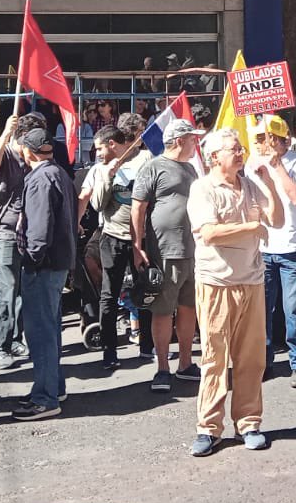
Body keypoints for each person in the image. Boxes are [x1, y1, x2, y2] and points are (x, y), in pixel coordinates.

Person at [188, 128, 284, 456]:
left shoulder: (249, 185)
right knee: (215, 358)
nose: (241, 153)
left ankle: (249, 422)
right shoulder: (202, 189)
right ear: (215, 157)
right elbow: (210, 233)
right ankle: (208, 428)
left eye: (241, 148)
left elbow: (277, 219)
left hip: (252, 282)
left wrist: (269, 180)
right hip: (216, 283)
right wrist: (250, 228)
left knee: (251, 358)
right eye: (233, 149)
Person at [134, 119, 207, 389]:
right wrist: (137, 245)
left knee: (189, 308)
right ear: (178, 140)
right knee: (163, 310)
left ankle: (185, 363)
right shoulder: (152, 167)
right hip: (165, 250)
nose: (195, 144)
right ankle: (162, 368)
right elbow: (137, 207)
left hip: (193, 250)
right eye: (192, 139)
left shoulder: (190, 168)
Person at [15, 126, 77, 421]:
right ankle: (53, 387)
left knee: (40, 332)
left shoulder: (40, 178)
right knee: (50, 329)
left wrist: (32, 260)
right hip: (59, 262)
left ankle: (45, 397)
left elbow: (38, 230)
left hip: (44, 265)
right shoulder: (60, 173)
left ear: (28, 151)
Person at [249, 115, 296, 388]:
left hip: (293, 246)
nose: (266, 144)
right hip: (263, 247)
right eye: (262, 139)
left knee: (294, 308)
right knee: (261, 310)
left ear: (282, 139)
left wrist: (276, 166)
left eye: (270, 139)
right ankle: (263, 361)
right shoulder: (254, 162)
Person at [81, 120, 150, 370]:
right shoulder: (101, 169)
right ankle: (110, 351)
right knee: (109, 295)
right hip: (112, 237)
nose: (97, 153)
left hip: (140, 238)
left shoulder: (144, 160)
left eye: (100, 148)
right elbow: (98, 204)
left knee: (145, 293)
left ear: (113, 144)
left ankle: (147, 345)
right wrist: (108, 176)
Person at [0, 113, 30, 370]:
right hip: (6, 233)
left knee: (22, 290)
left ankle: (15, 338)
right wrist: (5, 135)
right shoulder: (6, 155)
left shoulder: (29, 159)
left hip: (28, 233)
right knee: (8, 290)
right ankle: (0, 345)